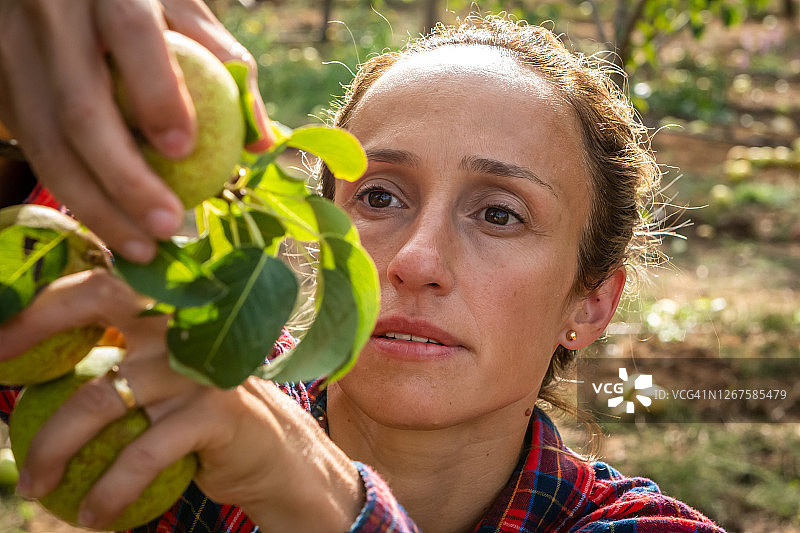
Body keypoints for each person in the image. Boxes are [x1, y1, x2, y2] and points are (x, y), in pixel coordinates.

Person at [0, 2, 725, 532]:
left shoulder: (641, 527)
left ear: (590, 302)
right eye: (379, 196)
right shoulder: (184, 394)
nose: (416, 261)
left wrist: (306, 489)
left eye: (500, 213)